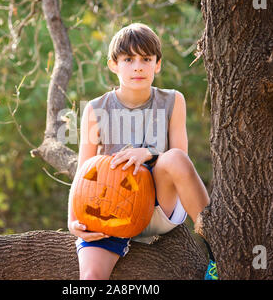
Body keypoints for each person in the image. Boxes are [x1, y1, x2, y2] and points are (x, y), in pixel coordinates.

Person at [68, 23, 217, 280]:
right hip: (111, 214)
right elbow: (82, 172)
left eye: (146, 59)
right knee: (90, 278)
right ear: (113, 65)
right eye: (128, 59)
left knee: (175, 158)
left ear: (157, 64)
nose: (138, 66)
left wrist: (148, 153)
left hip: (158, 206)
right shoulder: (95, 109)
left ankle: (217, 249)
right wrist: (73, 221)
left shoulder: (172, 100)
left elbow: (180, 156)